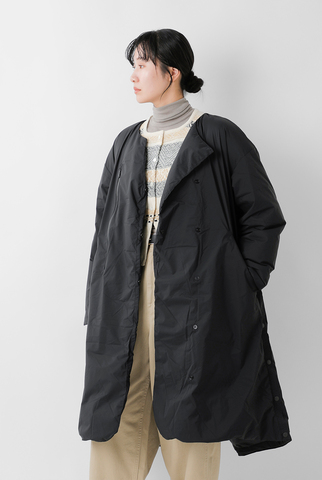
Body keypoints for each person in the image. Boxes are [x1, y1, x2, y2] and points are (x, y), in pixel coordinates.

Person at [78, 29, 291, 480]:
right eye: (133, 66)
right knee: (117, 411)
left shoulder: (218, 136)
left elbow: (262, 216)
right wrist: (99, 293)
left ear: (172, 72)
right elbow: (103, 226)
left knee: (191, 415)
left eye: (142, 65)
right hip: (124, 298)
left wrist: (239, 283)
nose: (133, 76)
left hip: (198, 298)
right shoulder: (125, 143)